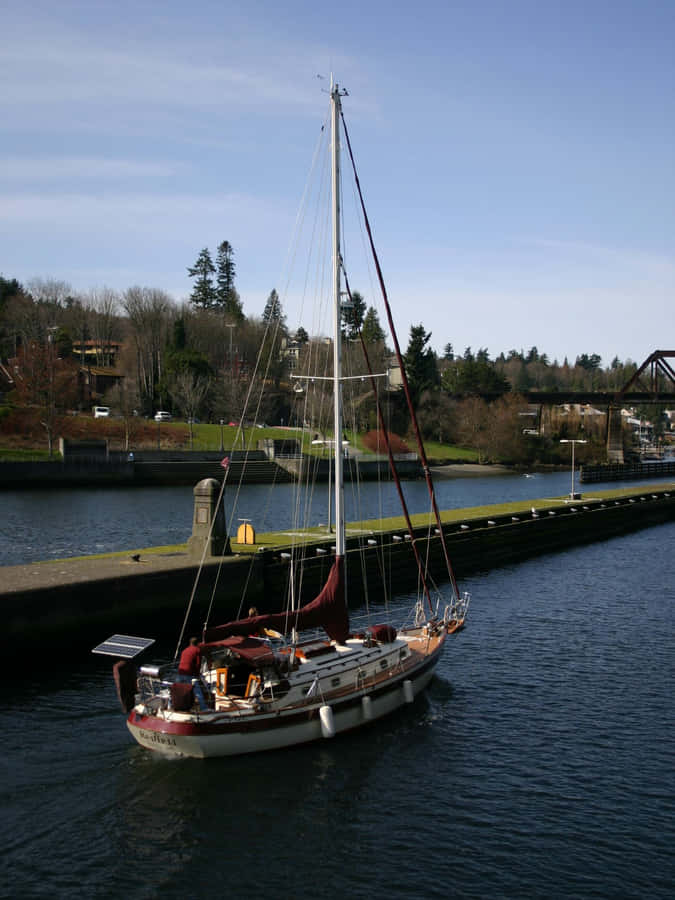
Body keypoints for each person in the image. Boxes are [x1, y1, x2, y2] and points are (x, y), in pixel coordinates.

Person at [177, 637, 208, 710]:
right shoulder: (197, 650)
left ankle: (174, 705)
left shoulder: (184, 650)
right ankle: (204, 708)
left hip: (180, 673)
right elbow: (198, 664)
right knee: (197, 691)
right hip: (189, 674)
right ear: (197, 643)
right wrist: (197, 675)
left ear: (190, 643)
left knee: (179, 690)